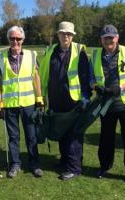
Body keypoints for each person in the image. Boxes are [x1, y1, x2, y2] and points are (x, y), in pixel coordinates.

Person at [90, 24, 125, 189]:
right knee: (106, 139)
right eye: (105, 38)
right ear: (101, 39)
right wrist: (94, 86)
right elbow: (91, 77)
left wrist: (120, 88)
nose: (108, 41)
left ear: (117, 38)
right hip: (106, 104)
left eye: (111, 38)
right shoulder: (96, 54)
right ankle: (104, 166)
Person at [39, 21, 91, 180]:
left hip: (73, 100)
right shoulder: (51, 51)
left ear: (72, 36)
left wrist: (85, 96)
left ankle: (74, 167)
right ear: (58, 35)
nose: (65, 36)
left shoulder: (79, 51)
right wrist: (42, 97)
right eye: (63, 33)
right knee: (60, 131)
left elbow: (85, 76)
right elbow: (44, 74)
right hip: (56, 99)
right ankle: (64, 160)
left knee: (73, 134)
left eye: (69, 34)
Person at [0, 26, 43, 178]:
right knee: (13, 137)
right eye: (12, 38)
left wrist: (39, 98)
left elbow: (36, 78)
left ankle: (34, 164)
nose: (15, 41)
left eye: (18, 38)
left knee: (31, 135)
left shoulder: (31, 55)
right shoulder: (1, 57)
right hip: (10, 105)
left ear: (23, 39)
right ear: (8, 39)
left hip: (28, 103)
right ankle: (15, 164)